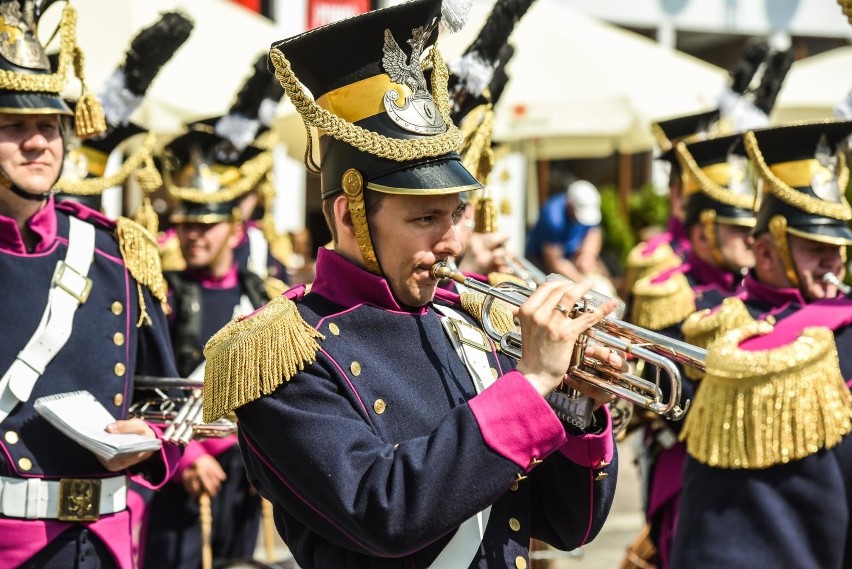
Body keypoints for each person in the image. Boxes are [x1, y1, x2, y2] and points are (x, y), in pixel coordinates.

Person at [201, 2, 624, 567]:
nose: (451, 241)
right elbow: (384, 514)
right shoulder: (280, 352)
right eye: (425, 219)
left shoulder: (470, 320)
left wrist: (576, 402)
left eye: (456, 214)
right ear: (349, 216)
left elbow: (564, 525)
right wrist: (530, 383)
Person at [0, 2, 180, 567]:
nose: (38, 144)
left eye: (48, 127)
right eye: (14, 127)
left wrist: (147, 437)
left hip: (104, 542)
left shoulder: (117, 250)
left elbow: (163, 395)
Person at [672, 120, 852, 568]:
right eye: (816, 248)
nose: (835, 264)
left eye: (839, 249)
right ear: (767, 253)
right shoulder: (723, 322)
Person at [141, 132, 274, 569]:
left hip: (245, 469)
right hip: (182, 467)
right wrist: (187, 457)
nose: (192, 234)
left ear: (235, 229)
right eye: (186, 224)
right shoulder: (161, 295)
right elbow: (144, 382)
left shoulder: (263, 297)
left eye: (206, 224)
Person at [625, 131, 759, 569]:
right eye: (737, 228)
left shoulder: (757, 291)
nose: (750, 239)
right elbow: (664, 395)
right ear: (704, 229)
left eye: (752, 227)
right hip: (688, 466)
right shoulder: (670, 291)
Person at [525, 176, 603, 282]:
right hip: (540, 262)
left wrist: (587, 255)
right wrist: (584, 283)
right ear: (569, 204)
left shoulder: (585, 209)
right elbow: (554, 263)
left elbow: (594, 231)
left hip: (570, 258)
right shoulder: (553, 217)